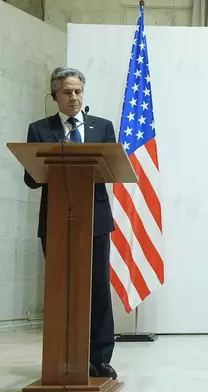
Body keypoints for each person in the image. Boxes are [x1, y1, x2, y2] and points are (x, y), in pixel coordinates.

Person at [23, 67, 118, 379]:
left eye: (78, 91)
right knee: (61, 290)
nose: (74, 97)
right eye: (67, 92)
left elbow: (111, 172)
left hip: (96, 222)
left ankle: (99, 359)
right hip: (57, 222)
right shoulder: (40, 129)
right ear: (55, 96)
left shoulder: (102, 127)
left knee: (98, 289)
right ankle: (62, 355)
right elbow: (32, 179)